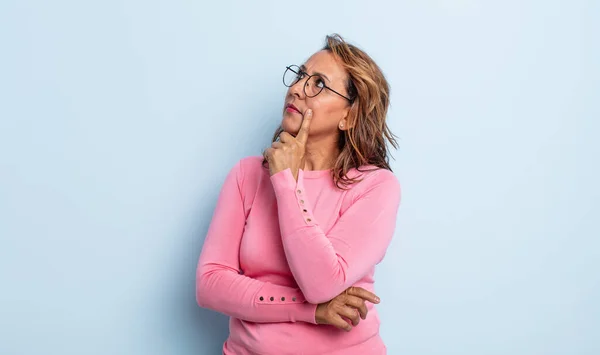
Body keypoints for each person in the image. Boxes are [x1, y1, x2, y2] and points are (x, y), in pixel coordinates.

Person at [196, 34, 401, 354]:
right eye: (300, 75)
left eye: (318, 84)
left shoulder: (375, 187)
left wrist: (286, 182)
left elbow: (322, 283)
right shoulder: (247, 174)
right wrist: (312, 312)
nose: (296, 88)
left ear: (350, 116)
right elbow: (210, 285)